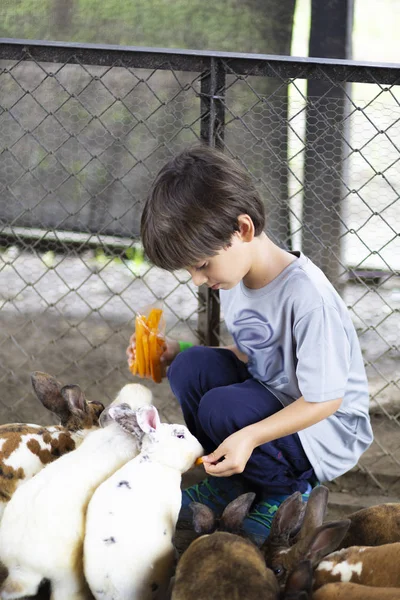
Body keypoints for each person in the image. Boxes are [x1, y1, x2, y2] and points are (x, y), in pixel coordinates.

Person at [129, 144, 373, 546]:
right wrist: (177, 352)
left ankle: (283, 493)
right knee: (191, 369)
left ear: (241, 230)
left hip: (325, 427)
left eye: (201, 264)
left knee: (222, 408)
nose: (196, 279)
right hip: (279, 399)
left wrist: (251, 435)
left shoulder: (307, 297)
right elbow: (252, 357)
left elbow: (326, 400)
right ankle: (234, 482)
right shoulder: (236, 279)